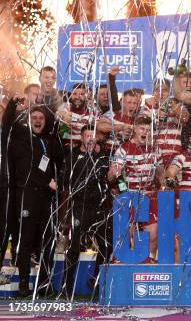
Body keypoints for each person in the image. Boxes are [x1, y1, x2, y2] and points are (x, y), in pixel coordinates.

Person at [3, 97, 63, 297]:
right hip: (26, 194)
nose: (38, 120)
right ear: (28, 119)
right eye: (34, 117)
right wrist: (13, 104)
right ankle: (22, 283)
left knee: (47, 239)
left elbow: (59, 166)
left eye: (41, 118)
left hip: (47, 198)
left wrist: (56, 182)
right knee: (25, 239)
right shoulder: (21, 136)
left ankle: (45, 282)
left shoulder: (51, 141)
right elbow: (8, 123)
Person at [61, 125, 113, 298]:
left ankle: (96, 281)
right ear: (81, 138)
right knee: (75, 247)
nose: (90, 139)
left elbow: (114, 176)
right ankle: (66, 286)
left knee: (106, 246)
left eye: (93, 135)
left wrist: (121, 188)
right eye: (87, 136)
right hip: (80, 206)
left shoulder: (104, 156)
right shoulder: (73, 156)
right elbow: (66, 180)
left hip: (100, 207)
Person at [108, 116, 162, 263]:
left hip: (149, 197)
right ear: (135, 129)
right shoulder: (123, 149)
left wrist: (164, 185)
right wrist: (124, 191)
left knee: (153, 233)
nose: (146, 132)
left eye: (148, 130)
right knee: (128, 235)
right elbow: (115, 175)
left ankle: (149, 260)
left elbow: (160, 174)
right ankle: (123, 261)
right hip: (130, 196)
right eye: (142, 129)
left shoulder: (155, 149)